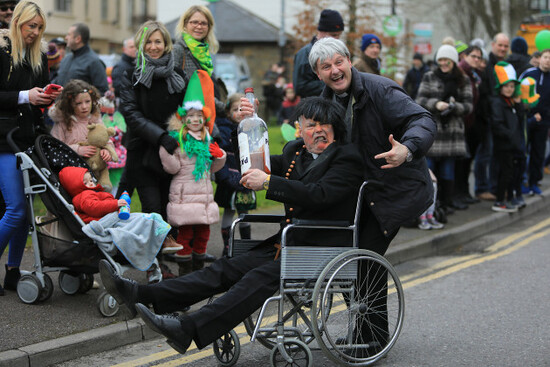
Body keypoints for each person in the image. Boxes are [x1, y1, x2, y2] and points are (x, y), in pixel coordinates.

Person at [99, 96, 364, 354]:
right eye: (310, 125)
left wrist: (269, 183)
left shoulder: (346, 158)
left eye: (324, 124)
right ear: (300, 129)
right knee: (225, 268)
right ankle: (140, 294)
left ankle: (187, 329)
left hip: (323, 250)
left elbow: (320, 195)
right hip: (289, 245)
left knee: (255, 278)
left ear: (335, 128)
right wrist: (246, 125)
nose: (318, 130)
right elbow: (255, 161)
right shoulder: (295, 152)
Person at [309, 37, 435, 352]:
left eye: (339, 62)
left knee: (365, 260)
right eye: (327, 66)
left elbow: (423, 120)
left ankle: (372, 337)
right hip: (359, 194)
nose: (335, 70)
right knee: (345, 261)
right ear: (318, 73)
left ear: (349, 61)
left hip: (396, 189)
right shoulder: (325, 101)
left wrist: (406, 149)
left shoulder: (380, 90)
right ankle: (364, 332)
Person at [0, 1, 61, 296]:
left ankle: (13, 272)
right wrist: (25, 96)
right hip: (3, 140)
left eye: (39, 28)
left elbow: (40, 93)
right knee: (14, 210)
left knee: (25, 214)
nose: (35, 33)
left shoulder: (39, 55)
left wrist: (48, 95)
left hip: (27, 139)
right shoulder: (2, 50)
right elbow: (15, 95)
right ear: (17, 23)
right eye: (30, 26)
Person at [118, 20, 186, 279]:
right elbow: (131, 114)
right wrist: (159, 136)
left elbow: (188, 110)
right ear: (141, 44)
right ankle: (156, 268)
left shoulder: (178, 76)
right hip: (143, 150)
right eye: (149, 42)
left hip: (171, 151)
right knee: (152, 208)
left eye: (158, 41)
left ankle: (161, 260)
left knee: (170, 206)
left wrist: (176, 134)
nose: (154, 46)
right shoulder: (131, 75)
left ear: (166, 43)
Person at [58, 166, 178, 281]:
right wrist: (116, 204)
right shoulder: (83, 196)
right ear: (76, 186)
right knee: (144, 219)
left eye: (91, 180)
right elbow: (94, 207)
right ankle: (162, 237)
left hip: (112, 219)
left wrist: (118, 204)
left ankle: (162, 236)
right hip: (105, 223)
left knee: (147, 218)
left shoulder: (93, 193)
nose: (90, 183)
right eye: (85, 182)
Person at [159, 71, 226, 275]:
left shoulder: (207, 140)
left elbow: (212, 169)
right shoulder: (178, 139)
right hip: (184, 194)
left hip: (204, 195)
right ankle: (185, 270)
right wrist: (165, 151)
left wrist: (220, 156)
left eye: (199, 116)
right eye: (191, 116)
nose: (195, 120)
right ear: (183, 119)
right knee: (185, 233)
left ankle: (199, 268)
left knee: (204, 233)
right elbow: (173, 168)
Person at [416, 44, 473, 213]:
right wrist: (436, 104)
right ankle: (430, 206)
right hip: (433, 130)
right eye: (440, 59)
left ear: (454, 61)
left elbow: (469, 106)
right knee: (430, 170)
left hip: (452, 132)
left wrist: (454, 107)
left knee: (448, 172)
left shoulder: (463, 79)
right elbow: (419, 100)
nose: (443, 63)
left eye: (447, 60)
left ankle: (446, 204)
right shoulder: (429, 76)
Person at [214, 93, 253, 256]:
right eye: (235, 109)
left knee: (244, 212)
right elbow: (220, 155)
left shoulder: (251, 129)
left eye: (242, 109)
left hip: (245, 178)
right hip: (229, 178)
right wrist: (225, 177)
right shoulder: (223, 130)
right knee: (229, 211)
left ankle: (246, 245)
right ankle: (228, 246)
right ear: (229, 112)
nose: (239, 113)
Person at [475, 32, 510, 201]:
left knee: (497, 154)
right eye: (500, 45)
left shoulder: (505, 65)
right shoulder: (486, 64)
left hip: (500, 117)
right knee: (485, 154)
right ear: (493, 45)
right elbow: (486, 93)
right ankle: (481, 188)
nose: (503, 48)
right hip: (487, 116)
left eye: (505, 46)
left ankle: (494, 187)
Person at [49, 79, 114, 160]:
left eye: (87, 101)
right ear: (69, 104)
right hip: (71, 167)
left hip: (94, 168)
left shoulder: (95, 119)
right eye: (78, 103)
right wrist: (78, 149)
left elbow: (106, 140)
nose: (84, 107)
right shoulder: (63, 122)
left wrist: (106, 150)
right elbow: (56, 148)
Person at [489, 62, 524, 212]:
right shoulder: (497, 103)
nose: (509, 89)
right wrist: (510, 136)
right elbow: (497, 124)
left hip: (512, 145)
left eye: (511, 86)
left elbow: (520, 118)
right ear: (500, 87)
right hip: (503, 145)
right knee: (504, 173)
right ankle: (499, 201)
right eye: (506, 86)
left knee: (511, 173)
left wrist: (519, 104)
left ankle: (508, 199)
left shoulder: (511, 103)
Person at [455, 45, 483, 205]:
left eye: (479, 57)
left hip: (470, 124)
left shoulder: (474, 74)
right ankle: (457, 194)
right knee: (460, 162)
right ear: (465, 56)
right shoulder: (461, 72)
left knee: (467, 161)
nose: (477, 60)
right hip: (460, 124)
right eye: (474, 56)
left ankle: (464, 192)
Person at [292, 9, 344, 98]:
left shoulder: (338, 51)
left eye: (339, 35)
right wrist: (333, 81)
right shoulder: (305, 54)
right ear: (321, 32)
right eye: (334, 35)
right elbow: (300, 87)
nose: (337, 39)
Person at [519, 48, 550, 195]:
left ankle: (534, 183)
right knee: (523, 152)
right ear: (539, 58)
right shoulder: (529, 74)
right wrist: (530, 113)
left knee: (538, 153)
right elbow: (519, 93)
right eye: (545, 57)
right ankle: (521, 182)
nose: (547, 61)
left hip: (544, 122)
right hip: (528, 119)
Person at [53, 23, 109, 94]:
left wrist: (83, 101)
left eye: (69, 35)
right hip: (59, 104)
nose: (66, 38)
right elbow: (57, 83)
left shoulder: (94, 62)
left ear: (78, 39)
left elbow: (102, 91)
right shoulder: (65, 59)